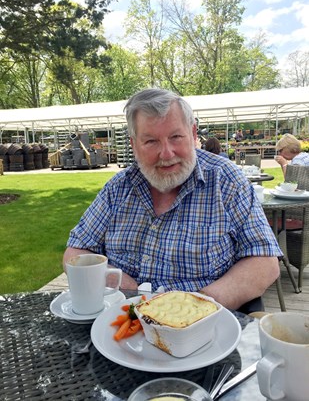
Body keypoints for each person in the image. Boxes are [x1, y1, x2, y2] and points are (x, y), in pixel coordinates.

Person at [63, 88, 281, 311]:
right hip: (120, 322)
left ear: (193, 134)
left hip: (203, 328)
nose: (166, 154)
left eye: (176, 137)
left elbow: (264, 262)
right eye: (151, 141)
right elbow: (76, 251)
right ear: (134, 144)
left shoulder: (226, 181)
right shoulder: (118, 189)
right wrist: (126, 290)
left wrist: (196, 307)